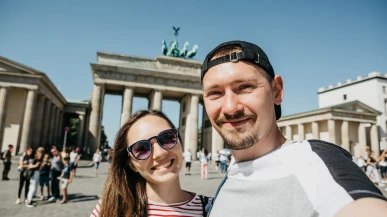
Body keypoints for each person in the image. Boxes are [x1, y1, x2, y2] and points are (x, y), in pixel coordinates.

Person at [201, 40, 387, 216]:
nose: (230, 108)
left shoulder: (317, 167)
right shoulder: (233, 172)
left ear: (277, 91)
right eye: (215, 93)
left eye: (245, 87)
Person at [90, 110, 210, 217]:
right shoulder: (109, 210)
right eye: (141, 148)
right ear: (131, 164)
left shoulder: (215, 209)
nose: (160, 153)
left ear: (179, 141)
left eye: (167, 138)